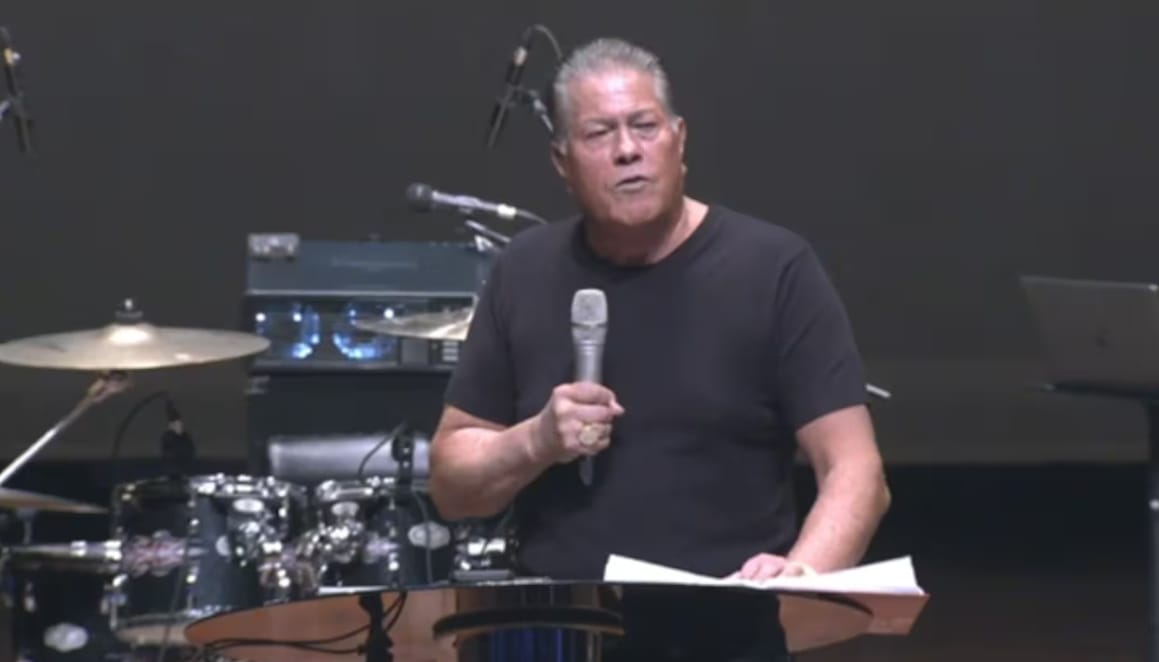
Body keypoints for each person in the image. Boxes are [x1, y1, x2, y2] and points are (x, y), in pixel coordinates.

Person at [429, 36, 891, 661]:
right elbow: (452, 485)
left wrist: (803, 575)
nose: (627, 150)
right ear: (562, 162)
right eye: (599, 134)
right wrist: (536, 440)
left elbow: (856, 470)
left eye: (644, 126)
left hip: (729, 633)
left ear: (678, 139)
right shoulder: (524, 271)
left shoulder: (774, 268)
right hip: (561, 636)